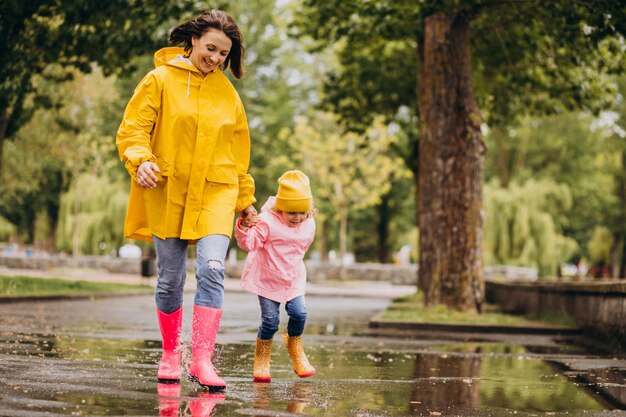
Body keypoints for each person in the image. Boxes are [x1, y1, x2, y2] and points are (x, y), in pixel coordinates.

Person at [115, 10, 256, 391]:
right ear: (193, 41)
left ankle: (202, 360)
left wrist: (245, 200)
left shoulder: (228, 94)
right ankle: (170, 353)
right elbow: (133, 131)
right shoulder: (159, 80)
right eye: (210, 48)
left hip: (216, 191)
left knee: (212, 268)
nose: (215, 59)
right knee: (170, 280)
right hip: (169, 189)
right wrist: (140, 161)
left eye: (223, 54)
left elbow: (238, 154)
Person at [234, 170, 317, 383]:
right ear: (281, 208)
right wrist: (244, 227)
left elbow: (302, 248)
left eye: (302, 212)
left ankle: (295, 346)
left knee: (299, 314)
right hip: (268, 279)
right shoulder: (267, 222)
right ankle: (262, 357)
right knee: (270, 322)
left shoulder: (309, 223)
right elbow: (249, 244)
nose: (298, 218)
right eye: (292, 213)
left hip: (293, 279)